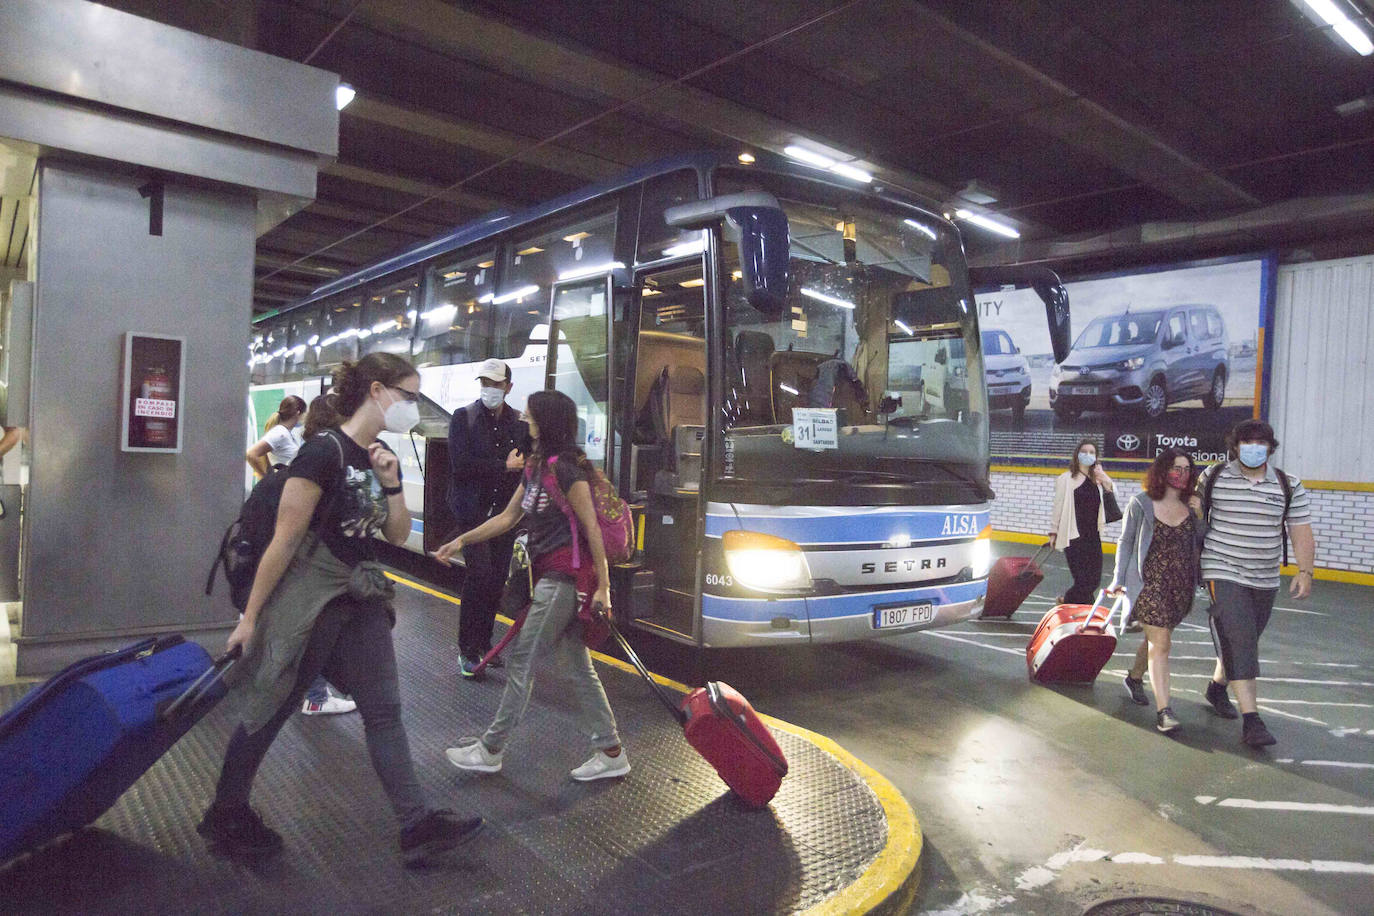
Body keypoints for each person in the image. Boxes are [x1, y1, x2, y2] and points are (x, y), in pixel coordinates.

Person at [200, 353, 483, 865]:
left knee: (385, 709)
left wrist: (392, 481)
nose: (413, 406)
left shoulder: (373, 456)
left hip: (359, 600)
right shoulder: (322, 455)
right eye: (409, 395)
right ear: (377, 391)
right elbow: (284, 543)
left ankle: (415, 824)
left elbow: (396, 536)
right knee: (276, 702)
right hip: (314, 605)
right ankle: (227, 810)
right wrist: (250, 618)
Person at [436, 389, 627, 783]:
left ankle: (490, 749)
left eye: (530, 411)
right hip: (547, 575)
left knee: (522, 659)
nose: (523, 415)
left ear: (546, 420)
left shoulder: (566, 470)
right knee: (577, 664)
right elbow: (507, 518)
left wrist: (603, 588)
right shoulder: (536, 466)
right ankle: (611, 751)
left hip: (565, 578)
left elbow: (592, 530)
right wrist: (461, 540)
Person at [1195, 419, 1314, 748]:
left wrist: (1305, 571)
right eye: (1247, 442)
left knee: (1243, 639)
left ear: (1270, 447)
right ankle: (1252, 721)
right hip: (1222, 570)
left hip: (1265, 577)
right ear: (1235, 447)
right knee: (1241, 638)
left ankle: (1217, 688)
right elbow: (1190, 514)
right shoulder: (1214, 476)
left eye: (1261, 443)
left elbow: (1300, 529)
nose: (1254, 448)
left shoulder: (1287, 484)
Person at [1108, 449, 1205, 733]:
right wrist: (1118, 579)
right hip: (1148, 584)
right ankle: (1165, 711)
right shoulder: (1141, 502)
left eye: (1187, 469)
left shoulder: (1192, 505)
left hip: (1180, 587)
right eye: (1176, 468)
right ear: (1162, 470)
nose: (1182, 474)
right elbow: (1125, 542)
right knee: (1161, 643)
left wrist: (1199, 515)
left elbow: (1202, 540)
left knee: (1157, 639)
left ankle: (1135, 677)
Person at [447, 358, 528, 677]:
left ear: (508, 387)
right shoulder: (463, 418)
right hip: (473, 512)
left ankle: (485, 644)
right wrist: (502, 465)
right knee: (478, 576)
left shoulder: (519, 423)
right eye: (485, 383)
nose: (489, 390)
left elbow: (523, 465)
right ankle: (467, 651)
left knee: (496, 581)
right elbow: (460, 465)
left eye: (495, 384)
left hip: (504, 514)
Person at [296, 391, 358, 717]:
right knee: (318, 630)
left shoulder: (311, 448)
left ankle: (314, 692)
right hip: (317, 563)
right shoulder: (324, 454)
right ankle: (316, 696)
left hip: (310, 563)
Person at [1049, 439, 1116, 605]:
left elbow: (1113, 496)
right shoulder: (1066, 479)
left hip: (1093, 535)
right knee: (1083, 581)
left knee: (1094, 581)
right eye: (1084, 451)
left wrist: (1104, 478)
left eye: (1092, 452)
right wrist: (1053, 532)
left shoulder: (1098, 479)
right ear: (1077, 455)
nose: (1088, 455)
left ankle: (1071, 604)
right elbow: (1058, 506)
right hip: (1073, 536)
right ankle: (1069, 604)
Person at [245, 396, 307, 477]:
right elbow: (251, 454)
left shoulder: (287, 433)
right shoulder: (280, 433)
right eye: (305, 413)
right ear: (298, 413)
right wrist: (265, 478)